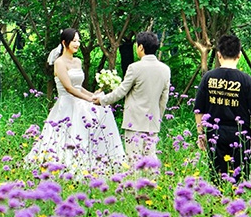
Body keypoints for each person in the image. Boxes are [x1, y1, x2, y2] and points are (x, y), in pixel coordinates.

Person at [25, 28, 126, 177]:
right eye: (74, 41)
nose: (77, 44)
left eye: (78, 40)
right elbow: (69, 88)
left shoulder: (78, 61)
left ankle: (94, 161)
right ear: (64, 42)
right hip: (67, 103)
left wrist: (93, 96)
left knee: (98, 117)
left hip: (80, 100)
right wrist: (88, 99)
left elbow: (79, 87)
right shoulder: (59, 63)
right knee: (64, 135)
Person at [93, 31, 170, 176]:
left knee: (134, 161)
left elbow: (121, 91)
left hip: (134, 122)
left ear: (140, 47)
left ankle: (135, 191)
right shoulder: (165, 70)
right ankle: (152, 188)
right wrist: (157, 117)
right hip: (153, 122)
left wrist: (102, 100)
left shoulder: (135, 68)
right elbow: (163, 99)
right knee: (151, 161)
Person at [193, 34, 251, 185]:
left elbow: (198, 110)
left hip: (215, 134)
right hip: (240, 136)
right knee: (239, 181)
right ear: (239, 55)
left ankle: (217, 205)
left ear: (218, 55)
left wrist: (201, 134)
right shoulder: (246, 80)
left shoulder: (208, 78)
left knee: (216, 178)